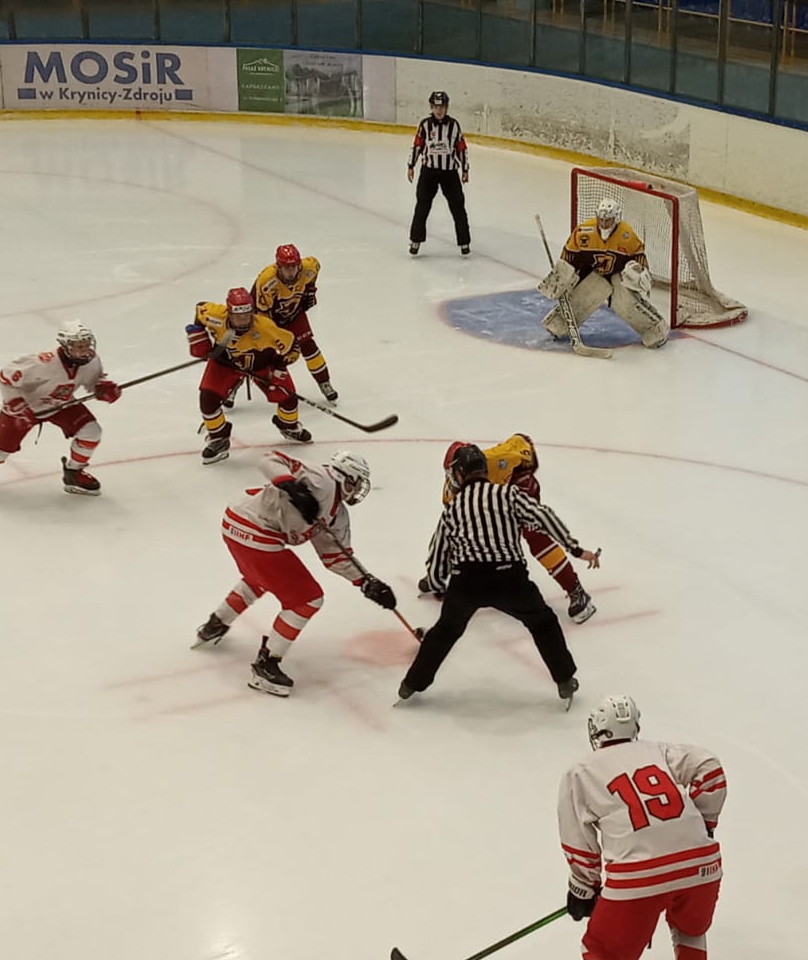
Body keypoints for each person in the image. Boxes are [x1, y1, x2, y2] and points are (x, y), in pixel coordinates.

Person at [557, 695, 727, 960]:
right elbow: (711, 770)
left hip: (637, 877)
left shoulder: (581, 771)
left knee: (599, 948)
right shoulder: (661, 751)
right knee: (689, 923)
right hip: (702, 866)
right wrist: (704, 823)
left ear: (597, 733)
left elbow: (578, 840)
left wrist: (584, 887)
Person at [398, 444, 597, 706]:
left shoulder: (453, 509)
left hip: (466, 581)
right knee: (543, 623)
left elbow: (438, 554)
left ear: (459, 473)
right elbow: (543, 516)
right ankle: (565, 679)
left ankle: (410, 685)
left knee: (444, 632)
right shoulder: (507, 494)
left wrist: (437, 582)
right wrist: (575, 549)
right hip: (510, 578)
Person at [192, 449, 395, 696]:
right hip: (253, 526)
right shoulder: (320, 478)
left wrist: (366, 582)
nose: (359, 489)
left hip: (238, 525)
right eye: (358, 482)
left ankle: (216, 623)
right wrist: (291, 486)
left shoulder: (338, 515)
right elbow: (270, 459)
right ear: (346, 477)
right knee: (307, 598)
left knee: (262, 578)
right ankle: (266, 665)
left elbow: (335, 556)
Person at [425, 435, 597, 623]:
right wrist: (438, 576)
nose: (451, 479)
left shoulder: (498, 458)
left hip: (516, 484)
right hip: (493, 495)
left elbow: (522, 442)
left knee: (534, 534)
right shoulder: (452, 493)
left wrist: (521, 476)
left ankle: (576, 590)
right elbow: (454, 531)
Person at [0, 320, 120, 499]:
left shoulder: (91, 360)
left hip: (60, 405)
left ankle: (74, 472)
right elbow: (6, 377)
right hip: (24, 410)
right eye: (79, 345)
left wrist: (103, 388)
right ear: (65, 345)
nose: (85, 349)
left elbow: (95, 380)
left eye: (86, 344)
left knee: (92, 432)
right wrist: (15, 403)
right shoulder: (43, 363)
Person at [187, 287, 307, 465]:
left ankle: (288, 425)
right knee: (208, 400)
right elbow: (200, 309)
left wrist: (280, 368)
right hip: (225, 362)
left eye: (247, 314)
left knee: (288, 398)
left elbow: (293, 348)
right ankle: (218, 438)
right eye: (238, 315)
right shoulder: (215, 315)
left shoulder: (265, 328)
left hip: (261, 363)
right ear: (229, 312)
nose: (243, 319)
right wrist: (199, 333)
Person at [538, 197, 669, 349]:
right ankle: (559, 323)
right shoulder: (583, 232)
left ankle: (655, 329)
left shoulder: (626, 235)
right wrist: (561, 276)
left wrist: (639, 272)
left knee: (625, 302)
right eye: (601, 219)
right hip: (592, 272)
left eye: (608, 220)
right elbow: (569, 256)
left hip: (618, 275)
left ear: (616, 218)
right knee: (585, 295)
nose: (604, 223)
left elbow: (638, 256)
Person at [252, 243, 339, 404]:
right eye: (287, 267)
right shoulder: (266, 282)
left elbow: (316, 267)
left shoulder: (308, 268)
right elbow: (262, 314)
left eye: (294, 266)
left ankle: (324, 382)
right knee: (257, 354)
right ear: (278, 266)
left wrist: (310, 290)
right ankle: (233, 386)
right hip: (270, 318)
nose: (291, 271)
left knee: (308, 345)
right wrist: (274, 334)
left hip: (293, 313)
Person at [406, 90, 471, 257]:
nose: (439, 110)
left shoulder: (454, 125)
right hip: (429, 172)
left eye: (442, 107)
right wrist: (411, 165)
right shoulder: (425, 125)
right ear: (431, 107)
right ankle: (415, 240)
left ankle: (464, 242)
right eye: (435, 107)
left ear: (446, 107)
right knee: (422, 205)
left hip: (449, 173)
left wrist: (465, 169)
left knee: (458, 206)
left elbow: (461, 148)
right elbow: (417, 145)